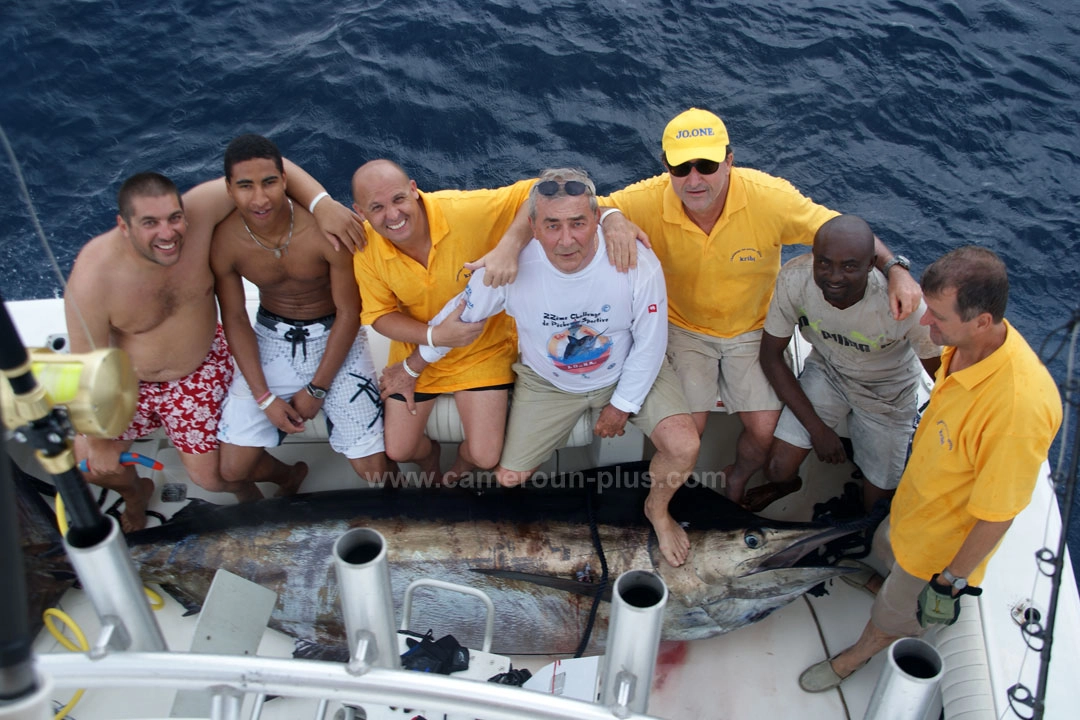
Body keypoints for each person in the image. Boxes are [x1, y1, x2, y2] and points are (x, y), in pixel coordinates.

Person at [601, 108, 924, 505]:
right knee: (686, 429)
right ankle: (669, 500)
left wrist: (895, 268)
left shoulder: (770, 198)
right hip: (683, 330)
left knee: (766, 430)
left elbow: (841, 232)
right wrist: (612, 216)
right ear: (666, 166)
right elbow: (589, 208)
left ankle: (736, 476)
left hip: (753, 330)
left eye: (706, 164)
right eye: (681, 167)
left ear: (729, 161)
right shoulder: (644, 199)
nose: (694, 178)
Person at [798, 246, 1062, 692]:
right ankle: (884, 581)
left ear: (981, 320)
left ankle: (855, 657)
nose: (924, 323)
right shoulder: (963, 347)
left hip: (934, 553)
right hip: (908, 513)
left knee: (894, 613)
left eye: (937, 316)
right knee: (884, 551)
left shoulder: (1019, 409)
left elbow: (998, 515)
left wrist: (949, 582)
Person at [409, 169, 701, 567]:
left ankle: (658, 510)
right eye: (552, 225)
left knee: (685, 446)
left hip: (627, 368)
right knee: (509, 478)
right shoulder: (510, 268)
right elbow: (458, 316)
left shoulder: (636, 262)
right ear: (532, 226)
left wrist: (622, 404)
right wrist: (412, 367)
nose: (567, 240)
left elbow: (651, 342)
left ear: (597, 219)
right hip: (549, 382)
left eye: (578, 223)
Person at [65, 161, 363, 530]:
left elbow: (272, 167)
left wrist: (323, 205)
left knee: (214, 478)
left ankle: (282, 479)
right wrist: (94, 440)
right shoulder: (93, 278)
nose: (168, 233)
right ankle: (135, 495)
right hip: (128, 381)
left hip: (197, 368)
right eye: (150, 223)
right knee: (88, 463)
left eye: (175, 218)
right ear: (123, 226)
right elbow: (87, 370)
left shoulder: (201, 214)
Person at [212, 135, 389, 493]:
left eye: (269, 183)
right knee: (232, 469)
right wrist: (263, 396)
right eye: (245, 186)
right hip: (270, 337)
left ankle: (403, 516)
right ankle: (288, 476)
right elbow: (234, 318)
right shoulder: (224, 242)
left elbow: (349, 312)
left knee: (374, 470)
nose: (260, 198)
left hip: (336, 335)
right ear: (229, 189)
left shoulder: (325, 231)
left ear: (285, 181)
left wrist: (317, 389)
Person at [351, 159, 534, 486]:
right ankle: (430, 459)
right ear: (360, 211)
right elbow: (379, 315)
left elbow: (541, 189)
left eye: (398, 199)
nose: (392, 215)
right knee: (399, 449)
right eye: (376, 207)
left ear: (414, 190)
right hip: (417, 350)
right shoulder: (366, 247)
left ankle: (461, 466)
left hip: (482, 348)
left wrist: (509, 245)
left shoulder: (463, 211)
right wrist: (436, 336)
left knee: (485, 456)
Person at [744, 215, 942, 513]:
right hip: (828, 372)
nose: (834, 277)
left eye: (849, 266)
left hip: (888, 391)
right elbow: (770, 357)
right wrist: (818, 430)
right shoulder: (794, 279)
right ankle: (788, 485)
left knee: (877, 506)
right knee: (776, 469)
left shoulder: (904, 305)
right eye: (823, 263)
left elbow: (943, 377)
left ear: (872, 264)